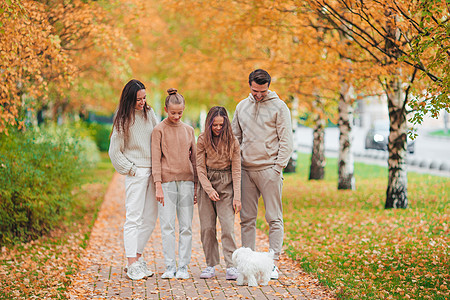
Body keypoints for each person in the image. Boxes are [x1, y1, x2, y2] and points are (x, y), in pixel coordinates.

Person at [231, 69, 293, 280]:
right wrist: (237, 165)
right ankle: (248, 265)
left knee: (273, 218)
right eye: (255, 90)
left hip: (269, 170)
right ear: (249, 85)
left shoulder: (279, 107)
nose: (259, 94)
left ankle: (272, 265)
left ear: (268, 87)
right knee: (247, 219)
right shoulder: (241, 106)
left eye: (263, 91)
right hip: (246, 170)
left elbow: (286, 140)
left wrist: (278, 168)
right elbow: (235, 138)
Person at [108, 79, 159, 280]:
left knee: (150, 218)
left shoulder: (150, 113)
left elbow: (158, 137)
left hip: (153, 172)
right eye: (139, 99)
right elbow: (114, 152)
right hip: (136, 173)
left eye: (144, 98)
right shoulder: (123, 120)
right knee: (133, 218)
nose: (143, 102)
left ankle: (137, 259)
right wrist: (131, 170)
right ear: (129, 99)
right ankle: (131, 263)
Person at [151, 88, 197, 280]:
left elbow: (195, 160)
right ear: (165, 109)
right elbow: (155, 160)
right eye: (173, 113)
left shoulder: (189, 130)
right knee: (167, 226)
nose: (176, 116)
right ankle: (170, 266)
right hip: (167, 184)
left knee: (186, 226)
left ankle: (183, 267)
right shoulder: (158, 130)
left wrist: (196, 186)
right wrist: (158, 185)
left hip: (187, 182)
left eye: (180, 113)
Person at [196, 106, 242, 280]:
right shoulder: (202, 140)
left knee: (228, 227)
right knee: (207, 228)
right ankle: (210, 265)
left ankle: (231, 265)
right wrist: (208, 190)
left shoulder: (233, 142)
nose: (217, 128)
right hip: (206, 183)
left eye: (221, 125)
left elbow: (236, 170)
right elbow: (199, 167)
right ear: (209, 124)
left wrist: (237, 196)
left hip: (226, 185)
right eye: (214, 125)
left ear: (226, 124)